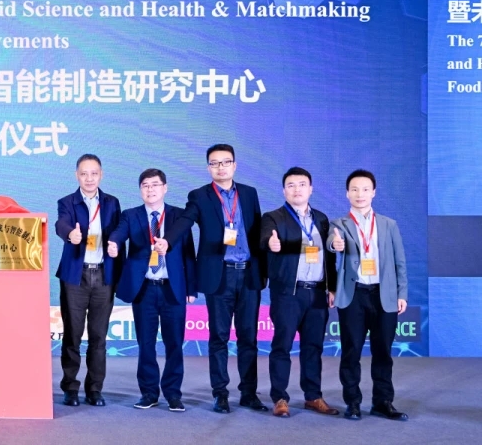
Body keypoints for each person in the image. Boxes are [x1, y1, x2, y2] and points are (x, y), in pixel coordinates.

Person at [167, 144, 267, 413]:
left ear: (234, 165)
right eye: (215, 163)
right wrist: (168, 240)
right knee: (219, 337)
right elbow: (185, 221)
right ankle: (220, 394)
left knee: (249, 338)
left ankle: (249, 393)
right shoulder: (199, 196)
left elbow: (257, 230)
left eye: (225, 162)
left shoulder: (249, 193)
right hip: (219, 275)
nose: (220, 167)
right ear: (208, 167)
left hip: (248, 275)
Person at [107, 169, 197, 412]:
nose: (150, 189)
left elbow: (188, 252)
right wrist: (114, 243)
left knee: (174, 344)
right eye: (145, 185)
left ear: (165, 188)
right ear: (140, 190)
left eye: (155, 184)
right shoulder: (131, 215)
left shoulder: (179, 216)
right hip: (145, 288)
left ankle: (173, 394)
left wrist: (192, 288)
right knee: (145, 344)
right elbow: (119, 233)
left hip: (173, 289)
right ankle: (148, 393)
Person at [327, 170, 408, 421]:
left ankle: (383, 402)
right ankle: (352, 402)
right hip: (354, 295)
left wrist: (402, 293)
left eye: (364, 189)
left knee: (383, 351)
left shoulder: (388, 224)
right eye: (354, 189)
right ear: (347, 193)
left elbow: (400, 261)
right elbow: (331, 243)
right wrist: (335, 245)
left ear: (373, 192)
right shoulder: (339, 224)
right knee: (351, 351)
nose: (359, 194)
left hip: (384, 294)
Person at [260, 167, 339, 418]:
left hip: (316, 293)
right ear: (284, 190)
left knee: (313, 347)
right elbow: (264, 239)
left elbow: (330, 258)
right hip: (288, 294)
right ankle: (280, 398)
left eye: (302, 184)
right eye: (291, 185)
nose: (297, 189)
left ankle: (313, 396)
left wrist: (332, 287)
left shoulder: (322, 219)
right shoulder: (273, 217)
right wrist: (270, 243)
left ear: (311, 189)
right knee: (282, 346)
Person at [54, 153, 122, 407]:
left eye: (94, 173)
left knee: (98, 337)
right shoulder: (67, 202)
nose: (89, 178)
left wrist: (116, 245)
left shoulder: (112, 203)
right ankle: (70, 388)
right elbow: (61, 223)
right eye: (84, 173)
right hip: (76, 276)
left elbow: (119, 231)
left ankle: (95, 389)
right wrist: (70, 234)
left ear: (101, 175)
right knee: (72, 335)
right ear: (77, 176)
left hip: (103, 276)